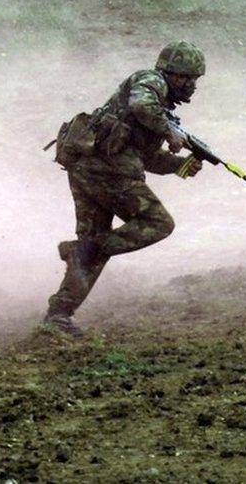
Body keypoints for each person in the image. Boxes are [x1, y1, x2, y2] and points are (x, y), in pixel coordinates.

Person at [43, 41, 206, 336]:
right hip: (108, 172)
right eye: (190, 78)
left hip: (89, 169)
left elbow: (146, 157)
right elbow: (141, 105)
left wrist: (180, 165)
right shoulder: (151, 81)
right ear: (174, 74)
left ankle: (59, 315)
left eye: (196, 79)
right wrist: (170, 131)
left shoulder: (160, 108)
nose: (193, 85)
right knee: (158, 223)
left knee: (95, 244)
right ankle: (80, 254)